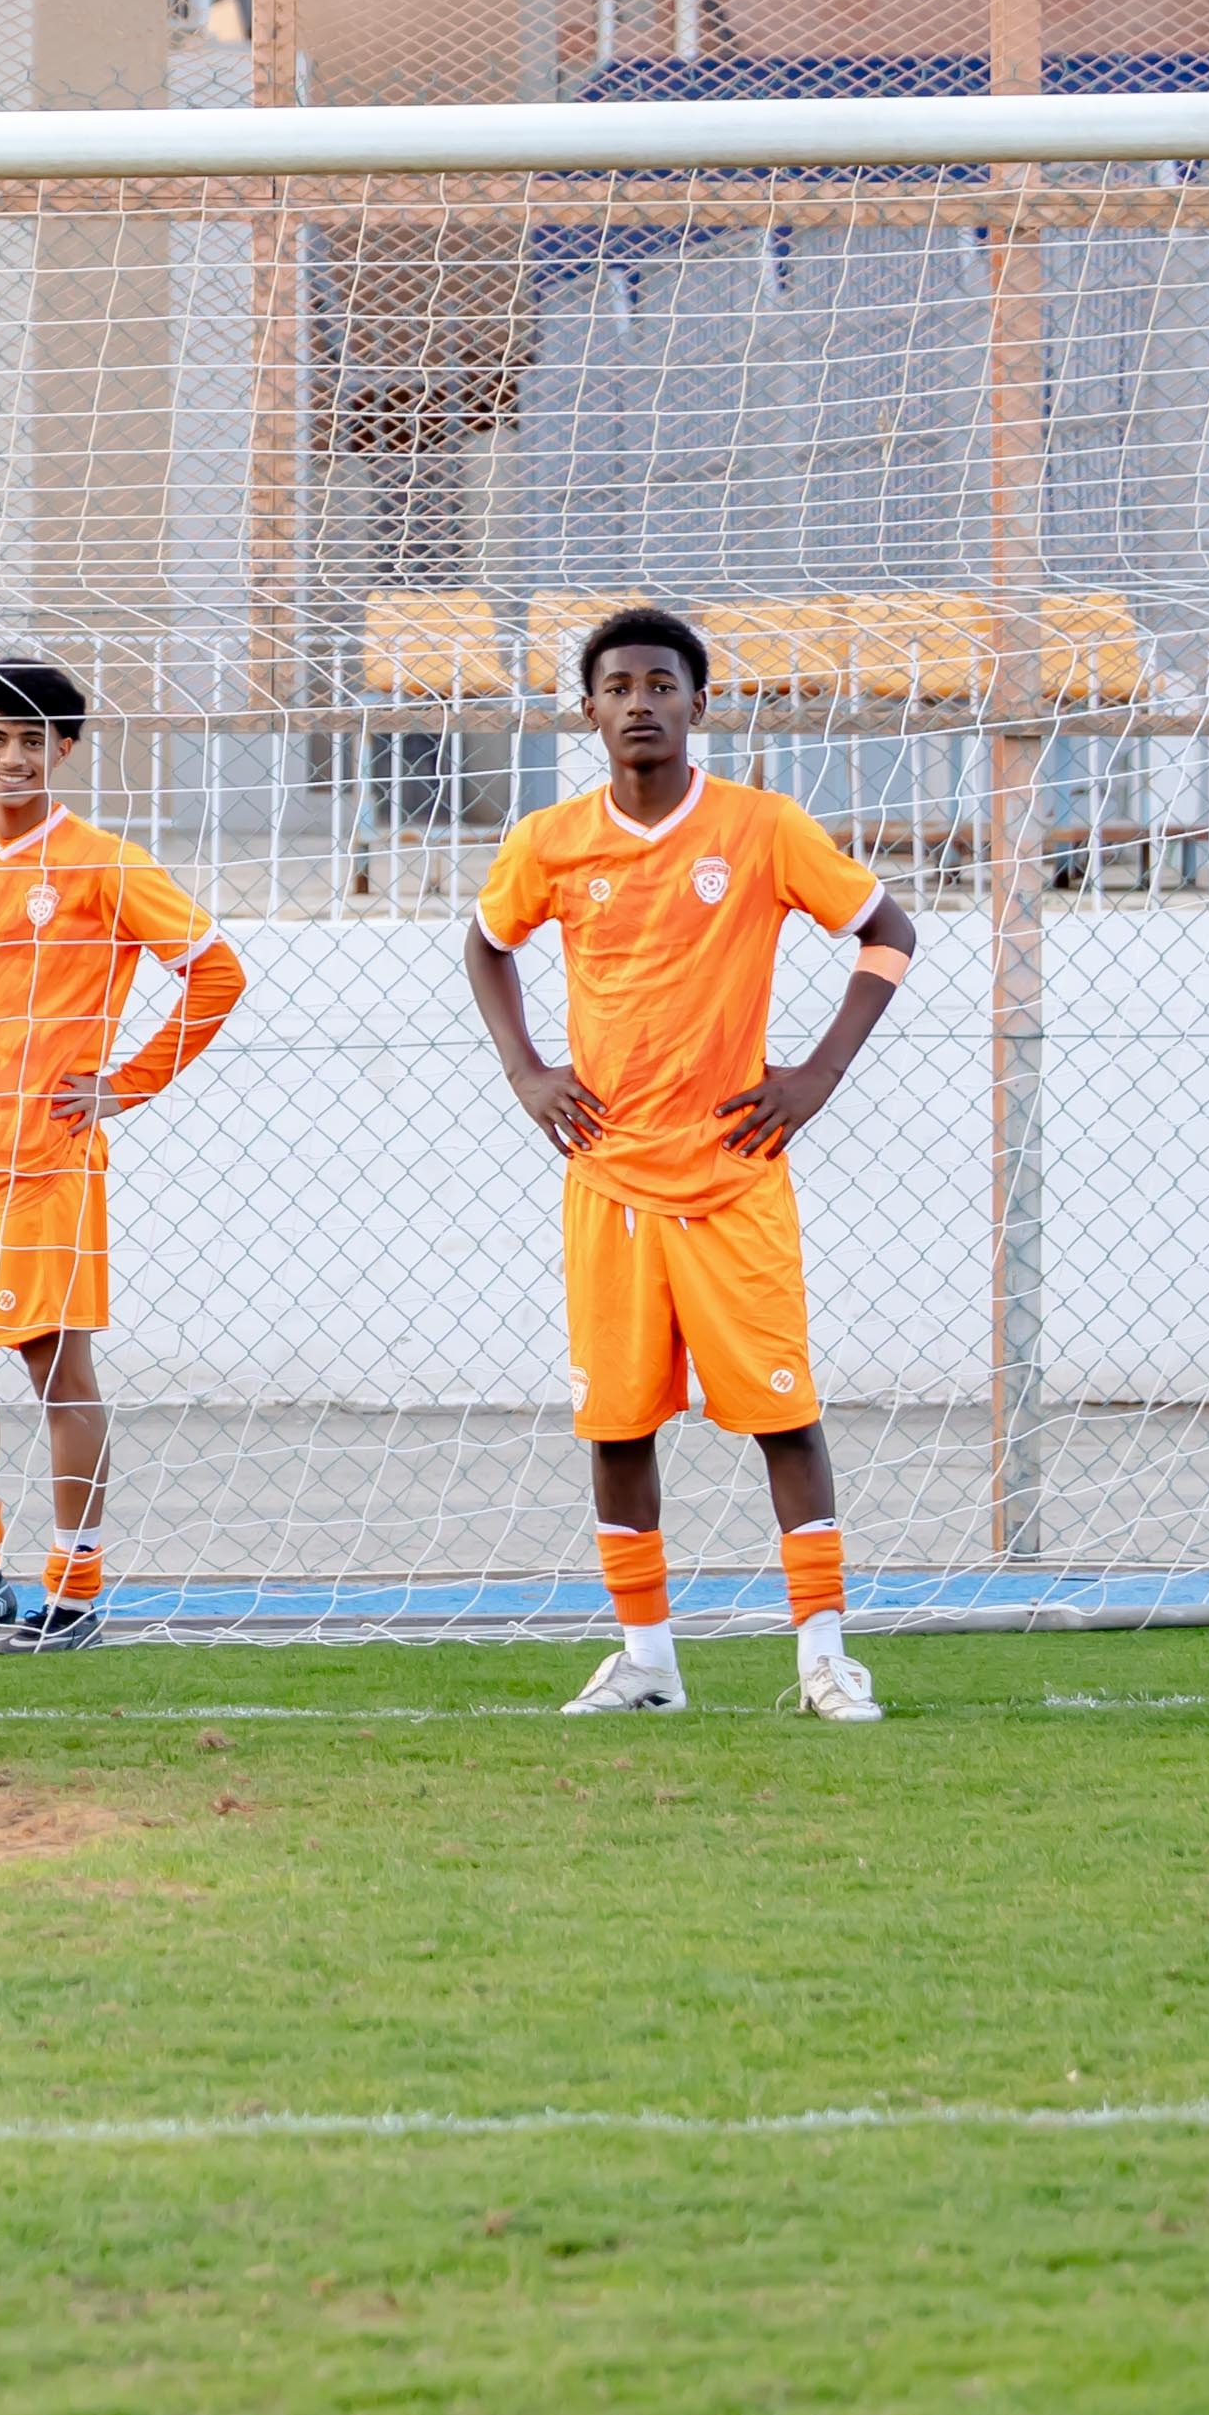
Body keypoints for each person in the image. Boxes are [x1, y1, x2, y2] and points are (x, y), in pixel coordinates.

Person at [462, 604, 918, 1720]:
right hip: (608, 1179)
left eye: (661, 686)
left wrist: (815, 1075)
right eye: (616, 688)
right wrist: (528, 1073)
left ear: (697, 705)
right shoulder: (549, 841)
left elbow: (889, 929)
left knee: (781, 1416)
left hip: (732, 1177)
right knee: (616, 1426)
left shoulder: (761, 827)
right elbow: (485, 943)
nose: (639, 705)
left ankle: (822, 1657)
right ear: (588, 711)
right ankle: (649, 1661)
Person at [0, 655, 245, 1645]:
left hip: (43, 1164)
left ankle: (73, 1588)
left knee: (54, 1367)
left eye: (32, 740)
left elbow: (216, 974)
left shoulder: (103, 863)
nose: (11, 757)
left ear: (63, 751)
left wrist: (125, 1084)